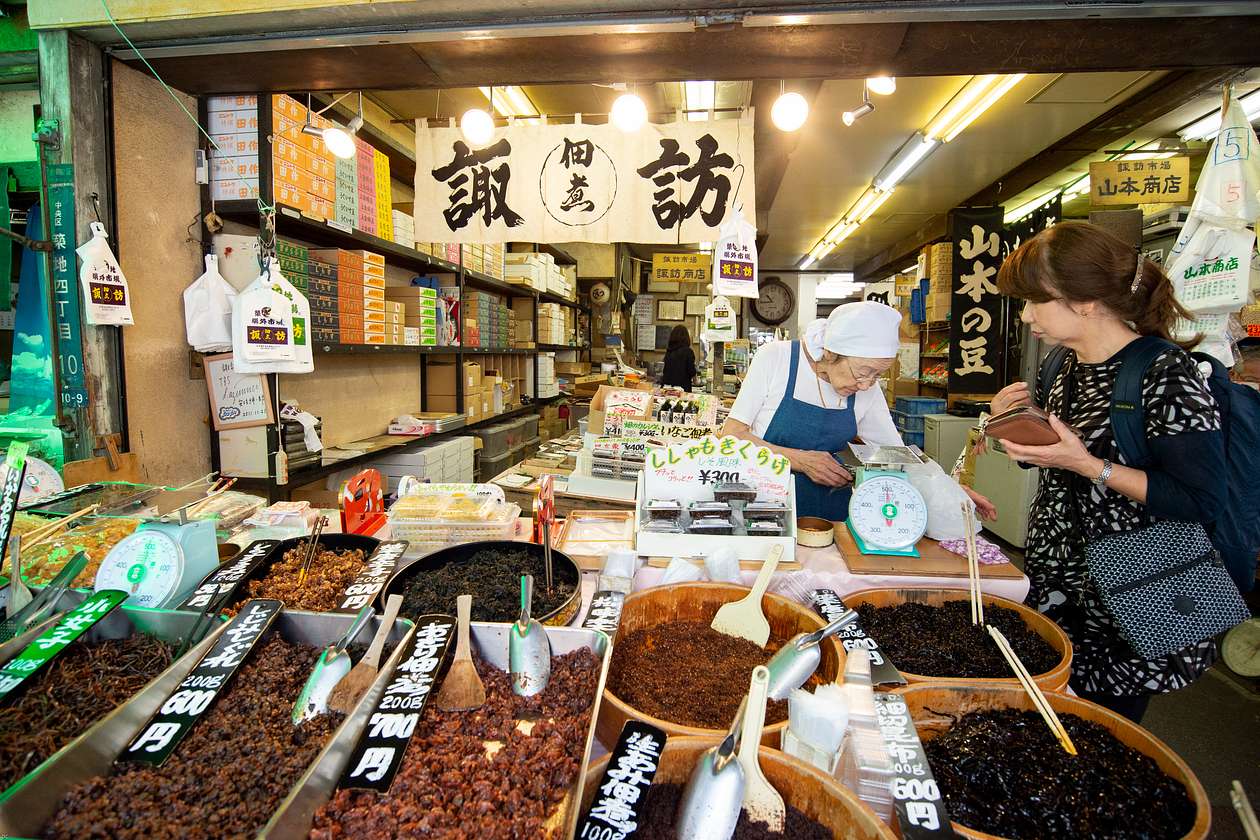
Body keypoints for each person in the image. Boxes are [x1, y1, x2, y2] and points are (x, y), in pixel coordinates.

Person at [991, 221, 1226, 723]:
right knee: (1049, 714)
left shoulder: (1166, 373)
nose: (1027, 315)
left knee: (1102, 727)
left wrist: (1087, 465)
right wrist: (1019, 433)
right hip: (1061, 580)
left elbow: (1198, 499)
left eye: (1037, 300)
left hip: (1135, 590)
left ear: (1087, 300)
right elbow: (1061, 458)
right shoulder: (1061, 365)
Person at [722, 300, 997, 521]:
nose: (867, 384)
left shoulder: (867, 388)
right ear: (831, 353)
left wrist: (948, 490)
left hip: (832, 514)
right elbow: (732, 435)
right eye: (863, 372)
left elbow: (896, 453)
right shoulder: (777, 358)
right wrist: (802, 460)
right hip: (766, 508)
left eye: (878, 375)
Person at [661, 324, 697, 390]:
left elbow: (665, 371)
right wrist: (695, 380)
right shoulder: (688, 351)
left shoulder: (669, 351)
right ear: (686, 337)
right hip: (682, 388)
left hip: (667, 387)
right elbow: (691, 371)